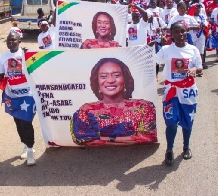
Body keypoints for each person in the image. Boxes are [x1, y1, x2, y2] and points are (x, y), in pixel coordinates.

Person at [70, 58, 157, 146]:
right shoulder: (86, 110)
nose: (110, 80)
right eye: (103, 76)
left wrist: (105, 138)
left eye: (116, 75)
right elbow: (81, 139)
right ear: (97, 82)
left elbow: (149, 137)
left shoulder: (143, 107)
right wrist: (131, 138)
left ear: (125, 80)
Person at [154, 21, 203, 165]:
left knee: (188, 121)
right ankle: (169, 150)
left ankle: (186, 146)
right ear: (171, 34)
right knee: (172, 123)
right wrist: (149, 48)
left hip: (188, 92)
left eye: (183, 31)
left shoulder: (193, 50)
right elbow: (153, 61)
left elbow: (199, 68)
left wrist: (195, 70)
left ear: (186, 32)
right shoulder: (166, 50)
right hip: (171, 91)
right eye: (176, 32)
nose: (180, 34)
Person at [0, 32, 37, 166]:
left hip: (27, 95)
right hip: (12, 95)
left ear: (19, 41)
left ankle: (30, 151)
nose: (10, 42)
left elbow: (36, 70)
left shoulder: (25, 55)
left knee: (25, 122)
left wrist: (29, 55)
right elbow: (0, 77)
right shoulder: (3, 57)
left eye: (13, 40)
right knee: (18, 122)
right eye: (8, 41)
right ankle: (25, 144)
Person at [188, 3, 209, 69]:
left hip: (201, 36)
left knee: (200, 51)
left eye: (199, 8)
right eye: (196, 8)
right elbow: (187, 26)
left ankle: (199, 67)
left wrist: (203, 25)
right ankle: (193, 66)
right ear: (193, 9)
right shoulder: (189, 17)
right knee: (192, 52)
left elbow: (205, 24)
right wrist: (195, 27)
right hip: (192, 36)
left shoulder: (202, 16)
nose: (198, 9)